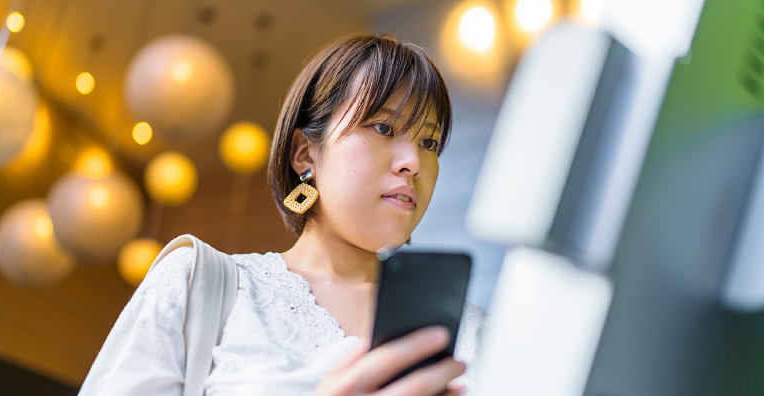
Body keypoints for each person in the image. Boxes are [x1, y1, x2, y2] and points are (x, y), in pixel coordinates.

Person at [79, 34, 489, 396]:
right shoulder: (200, 282)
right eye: (383, 127)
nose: (413, 162)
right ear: (305, 154)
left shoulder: (484, 336)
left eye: (430, 141)